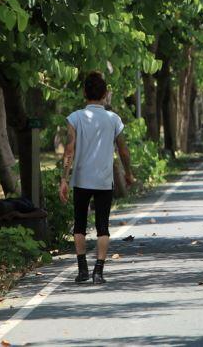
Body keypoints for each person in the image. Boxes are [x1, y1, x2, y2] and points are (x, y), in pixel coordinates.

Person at [60, 71, 135, 283]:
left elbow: (69, 150)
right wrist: (128, 173)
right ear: (104, 94)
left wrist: (64, 178)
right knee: (103, 227)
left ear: (84, 93)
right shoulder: (113, 119)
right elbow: (123, 151)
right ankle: (98, 272)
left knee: (79, 225)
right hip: (103, 180)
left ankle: (82, 269)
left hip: (81, 179)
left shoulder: (75, 118)